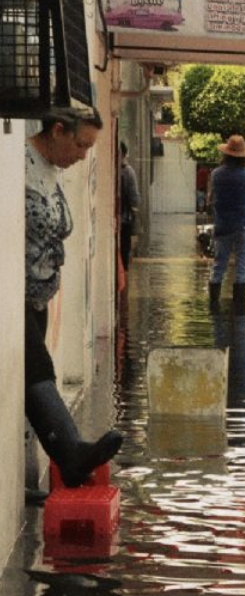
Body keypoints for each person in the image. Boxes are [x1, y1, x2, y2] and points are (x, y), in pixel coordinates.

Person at [25, 106, 124, 488]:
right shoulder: (19, 166)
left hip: (39, 296)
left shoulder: (52, 171)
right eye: (81, 145)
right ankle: (71, 452)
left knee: (28, 389)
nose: (84, 155)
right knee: (39, 374)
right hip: (13, 297)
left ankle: (35, 477)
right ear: (58, 130)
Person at [206, 134, 245, 311]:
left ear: (226, 154)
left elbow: (210, 199)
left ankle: (213, 305)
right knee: (242, 265)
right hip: (244, 225)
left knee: (219, 264)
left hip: (223, 225)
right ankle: (240, 309)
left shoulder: (216, 174)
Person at [119, 141, 140, 271]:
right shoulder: (128, 172)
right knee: (124, 264)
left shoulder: (126, 172)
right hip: (124, 222)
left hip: (122, 222)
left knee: (123, 264)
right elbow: (135, 199)